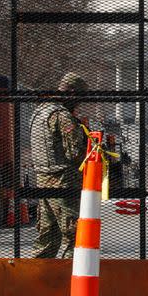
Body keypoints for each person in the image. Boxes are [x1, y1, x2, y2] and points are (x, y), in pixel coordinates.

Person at [29, 72, 88, 260]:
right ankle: (69, 280)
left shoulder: (39, 112)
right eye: (79, 98)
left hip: (42, 178)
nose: (79, 104)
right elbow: (75, 153)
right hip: (63, 180)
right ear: (72, 93)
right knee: (73, 236)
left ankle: (35, 278)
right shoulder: (62, 116)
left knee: (47, 237)